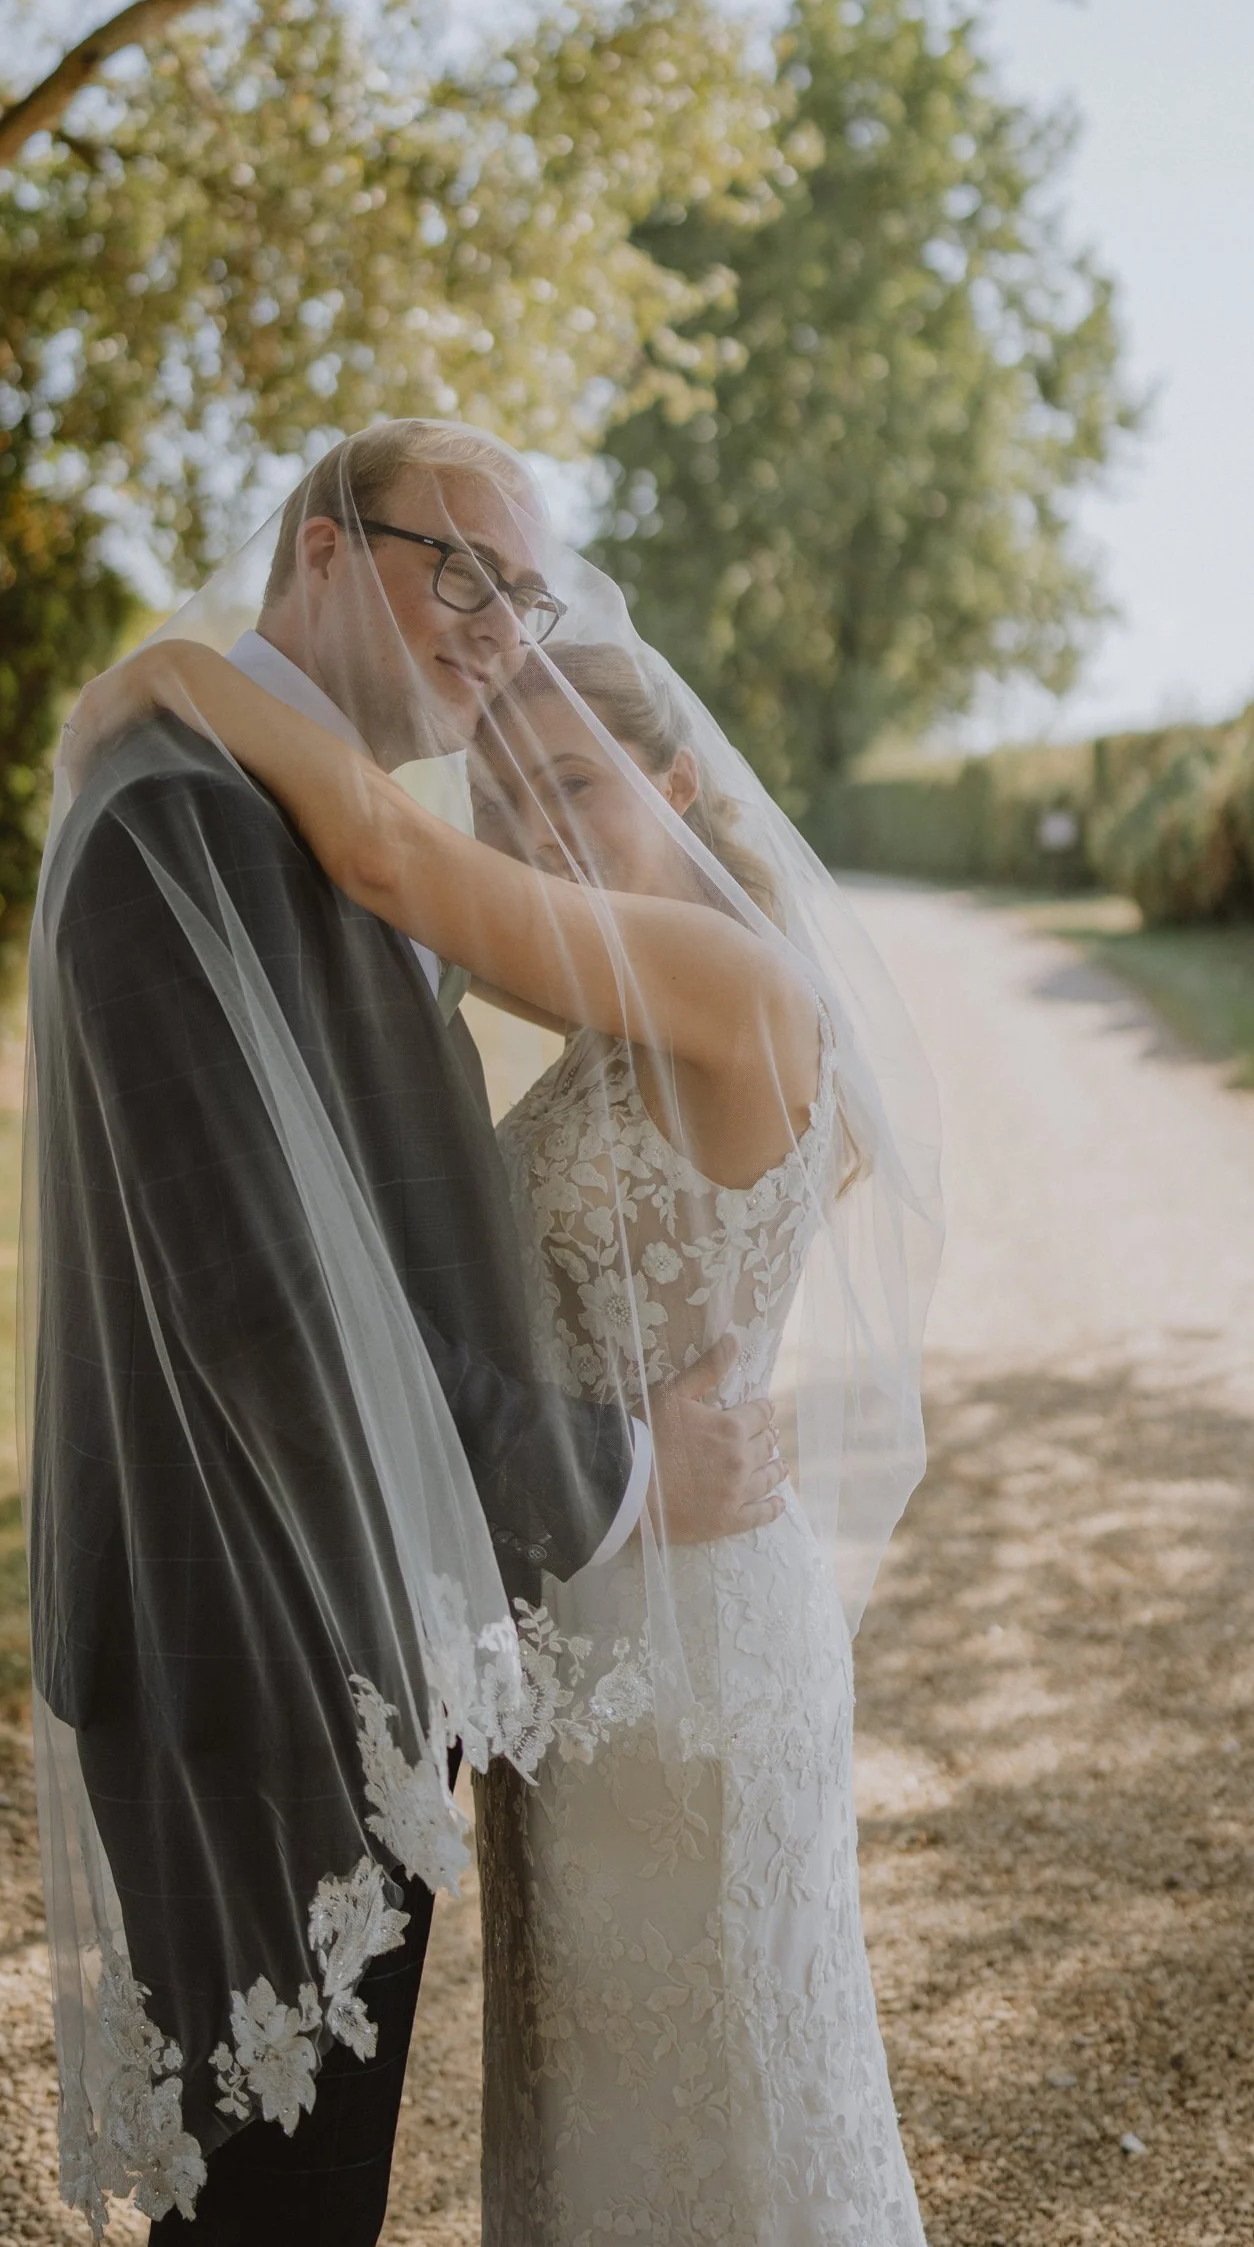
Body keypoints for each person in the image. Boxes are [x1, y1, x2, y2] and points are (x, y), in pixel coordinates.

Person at [76, 446, 943, 2244]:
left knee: (726, 2116)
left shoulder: (731, 989)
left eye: (573, 790)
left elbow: (386, 854)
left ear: (686, 789)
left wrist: (173, 669)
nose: (539, 839)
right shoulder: (609, 1015)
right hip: (568, 1639)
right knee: (591, 2131)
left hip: (687, 1637)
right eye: (515, 806)